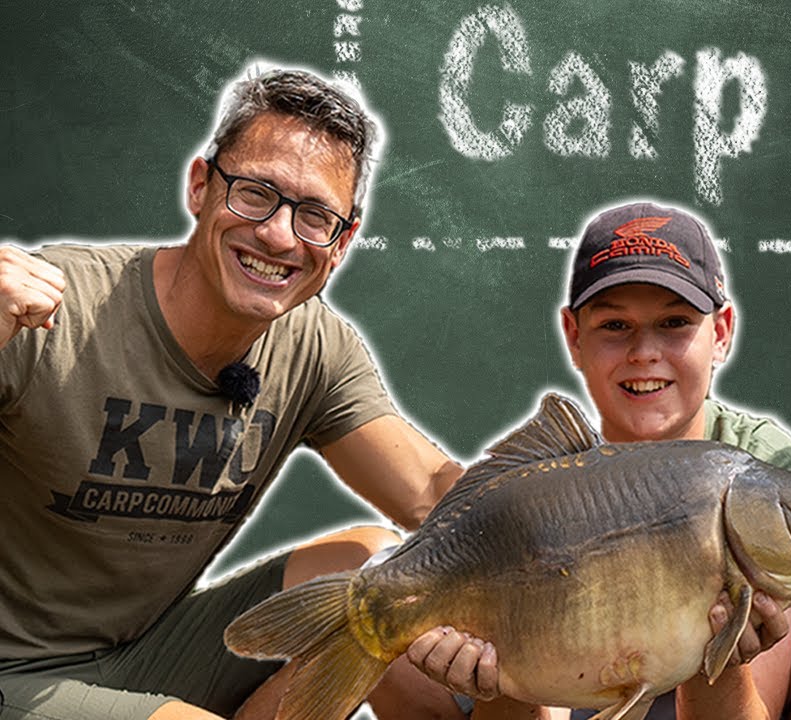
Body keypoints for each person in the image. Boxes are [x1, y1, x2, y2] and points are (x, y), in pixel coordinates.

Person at [0, 66, 477, 720]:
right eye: (255, 193)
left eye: (314, 215)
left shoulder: (316, 351)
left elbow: (435, 497)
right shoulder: (49, 309)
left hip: (149, 651)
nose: (280, 234)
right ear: (200, 185)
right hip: (13, 673)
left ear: (343, 242)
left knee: (369, 573)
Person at [410, 201, 791, 720]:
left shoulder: (762, 465)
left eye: (674, 323)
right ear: (574, 336)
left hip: (698, 694)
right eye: (615, 326)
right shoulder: (539, 485)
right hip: (561, 673)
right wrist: (498, 689)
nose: (645, 352)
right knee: (394, 639)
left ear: (722, 332)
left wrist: (725, 658)